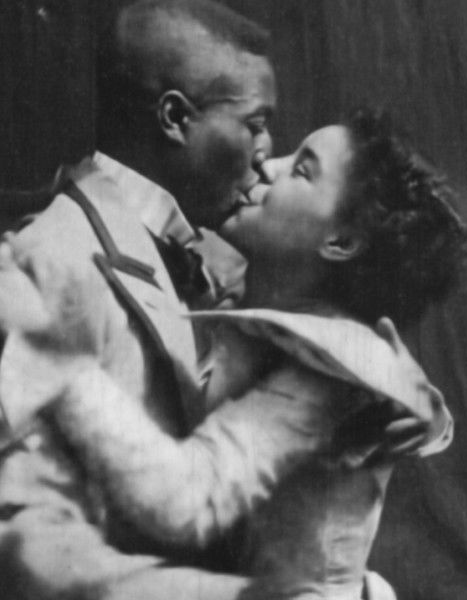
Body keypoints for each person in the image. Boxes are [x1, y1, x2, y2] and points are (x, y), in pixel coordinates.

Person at [0, 108, 465, 599]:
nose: (267, 165)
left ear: (340, 241)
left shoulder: (329, 358)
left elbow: (187, 499)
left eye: (301, 171)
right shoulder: (248, 293)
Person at [0, 1, 276, 598]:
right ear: (175, 118)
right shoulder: (50, 261)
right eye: (255, 125)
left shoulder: (213, 261)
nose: (268, 153)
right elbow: (25, 544)